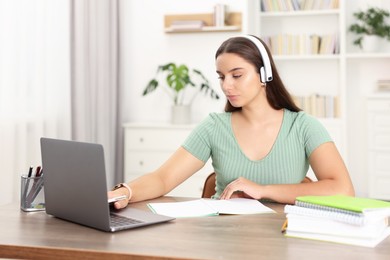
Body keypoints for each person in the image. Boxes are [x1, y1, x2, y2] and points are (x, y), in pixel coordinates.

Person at [109, 35, 355, 209]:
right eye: (221, 77)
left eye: (237, 75)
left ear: (264, 75)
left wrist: (264, 190)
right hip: (222, 235)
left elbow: (342, 189)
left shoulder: (303, 126)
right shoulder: (215, 126)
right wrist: (124, 192)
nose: (226, 85)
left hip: (280, 238)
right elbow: (163, 178)